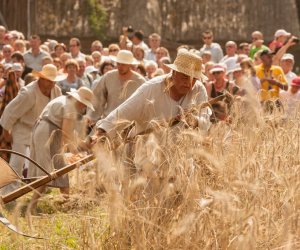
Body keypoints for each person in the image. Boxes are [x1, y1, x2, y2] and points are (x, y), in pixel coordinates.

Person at [94, 51, 211, 141]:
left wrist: (195, 121)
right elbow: (124, 111)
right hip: (147, 156)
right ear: (174, 73)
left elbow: (205, 122)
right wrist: (101, 132)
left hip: (181, 159)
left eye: (194, 79)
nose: (189, 82)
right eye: (185, 77)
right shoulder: (152, 88)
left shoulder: (199, 90)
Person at [27, 87, 95, 213]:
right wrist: (76, 151)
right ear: (80, 102)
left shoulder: (63, 100)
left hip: (45, 130)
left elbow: (69, 133)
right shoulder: (70, 108)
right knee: (46, 170)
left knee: (59, 167)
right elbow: (66, 134)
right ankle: (32, 207)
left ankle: (66, 204)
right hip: (48, 133)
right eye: (84, 105)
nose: (83, 108)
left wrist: (84, 146)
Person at [0, 64, 63, 194]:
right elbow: (10, 111)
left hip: (42, 130)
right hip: (22, 129)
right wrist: (6, 131)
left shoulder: (56, 91)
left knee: (41, 161)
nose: (52, 84)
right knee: (17, 162)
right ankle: (7, 193)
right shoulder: (28, 93)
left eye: (53, 81)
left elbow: (58, 112)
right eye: (49, 80)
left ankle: (39, 190)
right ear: (42, 79)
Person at [87, 50, 145, 123]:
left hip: (130, 124)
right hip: (108, 121)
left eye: (123, 64)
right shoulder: (108, 77)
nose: (120, 67)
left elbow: (145, 103)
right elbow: (97, 98)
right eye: (118, 64)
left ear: (130, 65)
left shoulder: (140, 81)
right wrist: (91, 116)